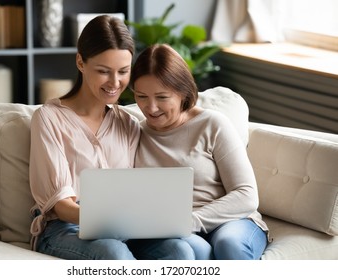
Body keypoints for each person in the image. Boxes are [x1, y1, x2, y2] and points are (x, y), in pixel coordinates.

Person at [29, 15, 204, 260]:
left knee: (179, 250)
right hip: (65, 229)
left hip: (123, 228)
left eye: (123, 71)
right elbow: (61, 205)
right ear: (81, 62)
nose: (115, 82)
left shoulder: (128, 123)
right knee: (114, 253)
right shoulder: (49, 118)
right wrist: (110, 218)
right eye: (103, 71)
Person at [129, 44, 270, 260]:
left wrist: (191, 221)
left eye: (162, 97)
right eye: (141, 96)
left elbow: (246, 195)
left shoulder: (212, 124)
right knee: (196, 252)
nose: (151, 107)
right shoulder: (135, 133)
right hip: (174, 228)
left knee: (229, 244)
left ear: (183, 92)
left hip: (232, 220)